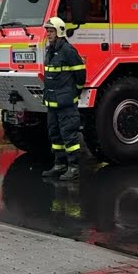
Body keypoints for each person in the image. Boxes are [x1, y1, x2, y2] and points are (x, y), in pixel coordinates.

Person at [40, 16, 85, 181]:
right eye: (47, 31)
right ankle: (59, 164)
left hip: (65, 102)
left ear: (59, 32)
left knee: (69, 134)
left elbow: (80, 74)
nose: (48, 34)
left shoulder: (68, 50)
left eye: (51, 31)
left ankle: (73, 167)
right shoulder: (50, 50)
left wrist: (76, 91)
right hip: (52, 102)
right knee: (55, 134)